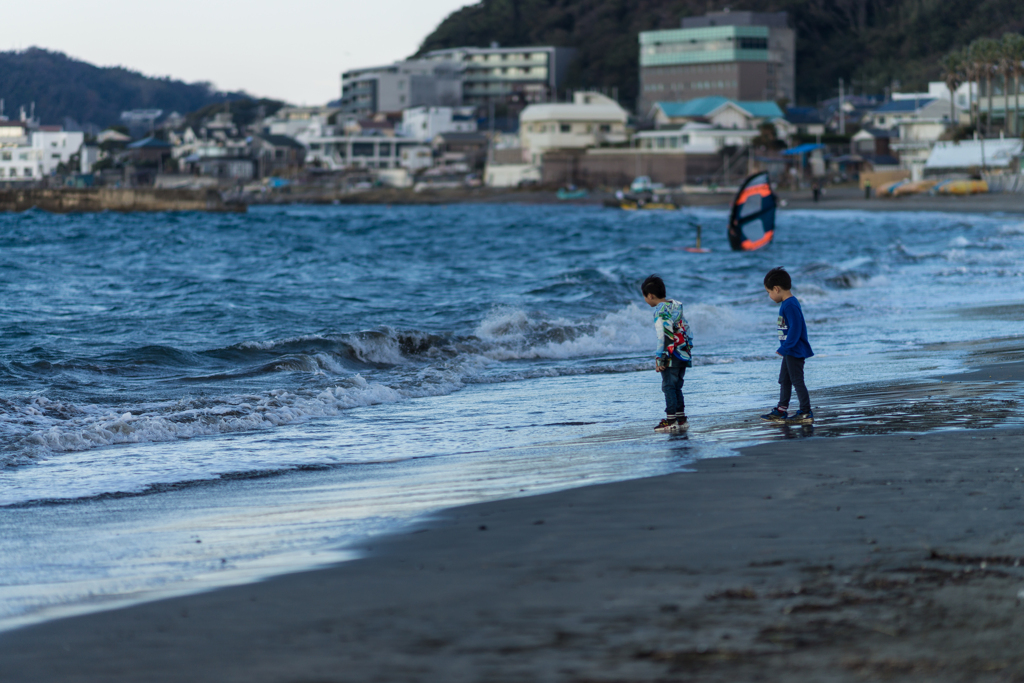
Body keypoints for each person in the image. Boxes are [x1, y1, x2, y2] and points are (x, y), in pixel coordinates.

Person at [760, 267, 814, 424]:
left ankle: (805, 411)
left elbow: (796, 329)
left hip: (794, 350)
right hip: (790, 350)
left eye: (769, 292)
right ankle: (781, 410)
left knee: (797, 381)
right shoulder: (788, 303)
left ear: (776, 289)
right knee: (784, 379)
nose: (769, 296)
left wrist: (785, 347)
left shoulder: (789, 305)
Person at [641, 275, 693, 433]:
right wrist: (688, 347)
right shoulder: (675, 306)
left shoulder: (660, 311)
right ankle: (681, 418)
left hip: (670, 355)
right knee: (677, 386)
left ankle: (671, 420)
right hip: (683, 352)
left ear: (650, 296)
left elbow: (665, 335)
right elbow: (687, 329)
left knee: (668, 386)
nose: (645, 300)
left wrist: (661, 358)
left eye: (644, 297)